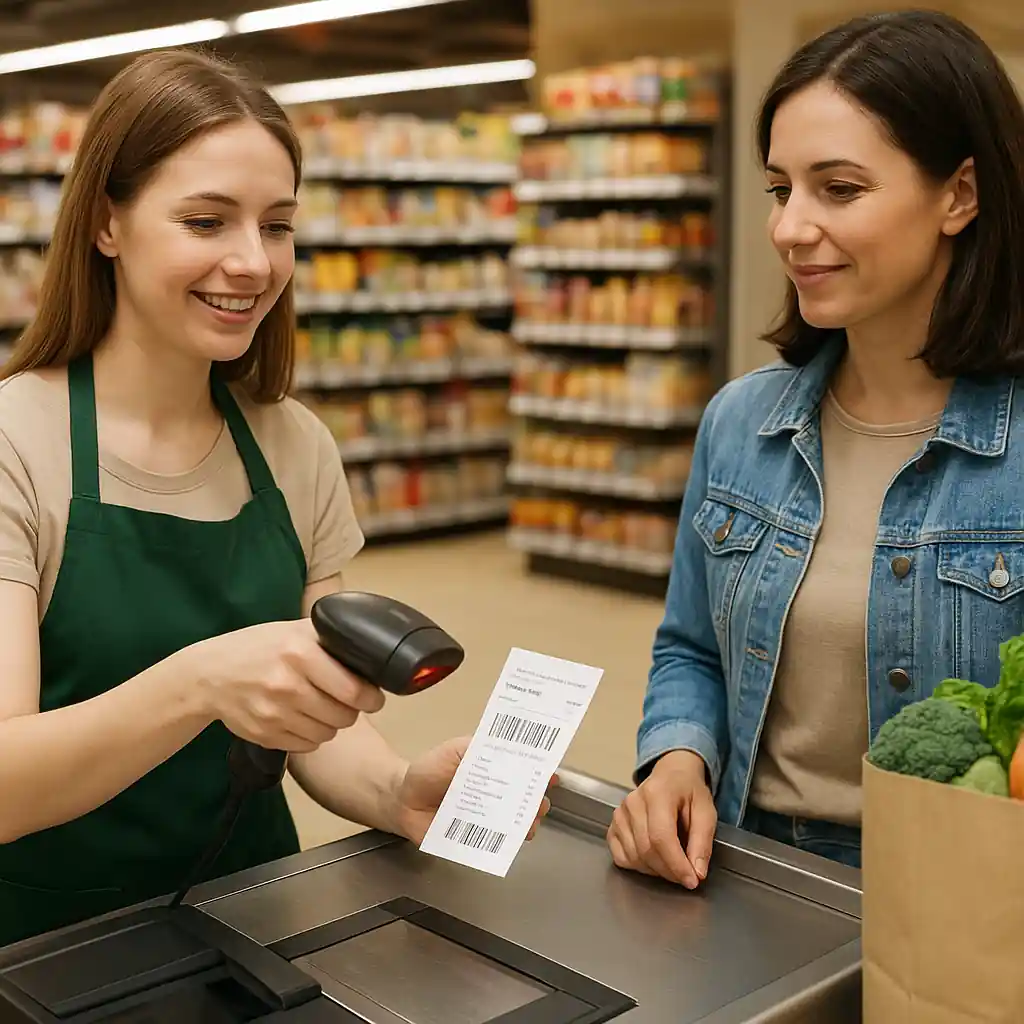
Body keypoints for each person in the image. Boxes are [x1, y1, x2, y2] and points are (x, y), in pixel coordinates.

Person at [0, 49, 553, 948]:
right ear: (108, 224)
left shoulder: (293, 443)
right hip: (46, 953)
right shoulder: (16, 444)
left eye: (278, 225)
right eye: (206, 220)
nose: (252, 263)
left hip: (251, 930)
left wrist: (394, 789)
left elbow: (316, 720)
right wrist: (200, 683)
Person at [607, 9, 1024, 884]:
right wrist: (677, 758)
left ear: (961, 194)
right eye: (780, 189)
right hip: (748, 871)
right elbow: (690, 649)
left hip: (971, 899)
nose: (791, 227)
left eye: (839, 189)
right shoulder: (740, 422)